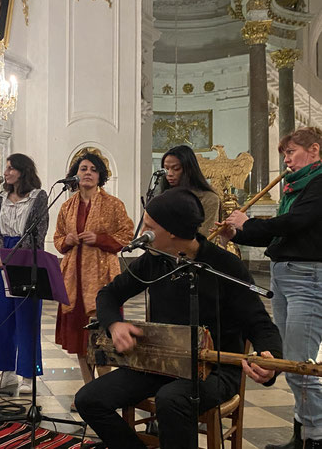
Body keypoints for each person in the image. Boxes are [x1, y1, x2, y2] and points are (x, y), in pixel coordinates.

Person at [75, 187, 282, 449]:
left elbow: (260, 323)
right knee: (89, 399)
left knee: (171, 399)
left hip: (215, 369)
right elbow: (109, 294)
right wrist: (114, 325)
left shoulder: (225, 266)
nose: (141, 234)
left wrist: (269, 357)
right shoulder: (154, 259)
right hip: (163, 363)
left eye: (149, 226)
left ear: (172, 231)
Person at [219, 127, 322, 449]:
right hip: (286, 276)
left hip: (308, 277)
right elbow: (276, 236)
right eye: (285, 154)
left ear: (315, 150)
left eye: (291, 152)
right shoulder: (296, 187)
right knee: (293, 361)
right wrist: (236, 234)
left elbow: (295, 224)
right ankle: (303, 434)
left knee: (299, 365)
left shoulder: (318, 183)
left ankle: (315, 439)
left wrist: (247, 223)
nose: (287, 159)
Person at [54, 153, 134, 390]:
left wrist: (100, 239)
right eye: (83, 168)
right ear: (75, 175)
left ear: (100, 176)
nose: (87, 173)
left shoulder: (113, 204)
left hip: (102, 279)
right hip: (73, 281)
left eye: (93, 169)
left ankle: (105, 390)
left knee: (101, 337)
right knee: (80, 339)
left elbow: (127, 236)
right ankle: (89, 388)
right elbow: (57, 239)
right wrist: (67, 240)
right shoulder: (67, 206)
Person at [0, 153, 48, 394]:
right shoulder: (1, 197)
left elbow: (39, 232)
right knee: (1, 317)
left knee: (27, 318)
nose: (6, 172)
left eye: (11, 168)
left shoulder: (38, 196)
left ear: (23, 171)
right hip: (1, 258)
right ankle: (6, 372)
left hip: (27, 258)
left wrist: (13, 257)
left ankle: (28, 375)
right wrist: (1, 254)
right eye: (6, 167)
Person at [160, 145, 220, 235]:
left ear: (189, 169)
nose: (169, 174)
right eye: (166, 169)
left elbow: (205, 238)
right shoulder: (163, 197)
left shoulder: (209, 199)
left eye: (176, 169)